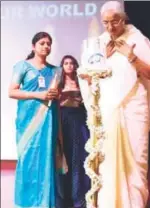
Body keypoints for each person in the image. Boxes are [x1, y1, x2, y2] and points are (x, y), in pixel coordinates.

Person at [78, 1, 150, 208]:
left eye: (114, 22)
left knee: (135, 159)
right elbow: (88, 74)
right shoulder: (100, 42)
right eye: (105, 23)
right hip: (107, 109)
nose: (110, 27)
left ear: (123, 20)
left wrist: (131, 56)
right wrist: (96, 67)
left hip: (133, 108)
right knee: (107, 160)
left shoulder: (137, 40)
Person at [8, 32, 64, 208]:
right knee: (28, 159)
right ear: (33, 46)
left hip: (48, 121)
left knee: (46, 158)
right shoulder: (23, 66)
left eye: (49, 44)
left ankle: (44, 203)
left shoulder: (56, 71)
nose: (46, 46)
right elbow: (12, 91)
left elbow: (58, 94)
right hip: (28, 123)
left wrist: (57, 94)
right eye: (42, 43)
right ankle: (26, 203)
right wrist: (38, 94)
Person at [56, 55, 90, 208]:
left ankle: (79, 197)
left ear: (75, 66)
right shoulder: (58, 82)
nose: (69, 66)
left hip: (79, 120)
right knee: (64, 157)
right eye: (66, 63)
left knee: (78, 157)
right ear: (62, 66)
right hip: (63, 120)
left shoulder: (82, 82)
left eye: (71, 63)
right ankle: (63, 197)